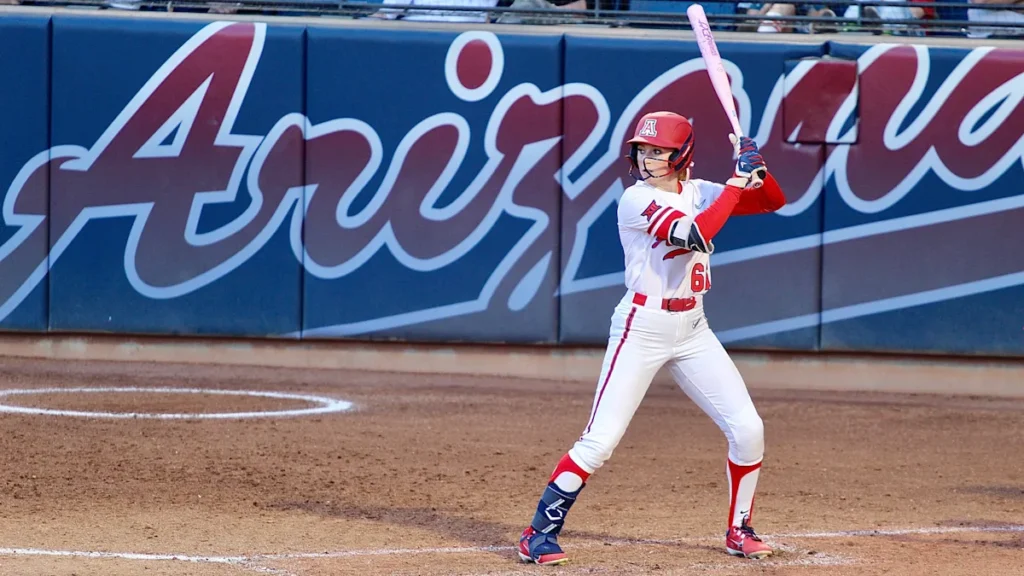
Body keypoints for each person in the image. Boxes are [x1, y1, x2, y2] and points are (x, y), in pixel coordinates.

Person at [517, 111, 787, 566]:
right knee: (599, 441)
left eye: (657, 152)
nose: (647, 159)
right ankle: (537, 533)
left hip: (694, 328)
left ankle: (739, 529)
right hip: (641, 327)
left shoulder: (699, 191)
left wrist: (757, 169)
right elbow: (697, 233)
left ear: (681, 155)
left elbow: (771, 202)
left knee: (748, 429)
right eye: (643, 150)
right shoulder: (634, 200)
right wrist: (739, 183)